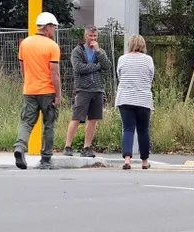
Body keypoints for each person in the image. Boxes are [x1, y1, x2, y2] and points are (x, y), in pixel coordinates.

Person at [14, 12, 62, 170]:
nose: (54, 31)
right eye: (53, 28)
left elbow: (23, 68)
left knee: (26, 122)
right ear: (47, 27)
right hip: (47, 91)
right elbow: (54, 73)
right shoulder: (52, 46)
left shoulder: (25, 43)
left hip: (29, 90)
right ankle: (46, 159)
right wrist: (58, 94)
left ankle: (20, 147)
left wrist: (27, 83)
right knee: (49, 124)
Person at [63, 25, 113, 157]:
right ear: (85, 36)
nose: (93, 38)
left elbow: (107, 66)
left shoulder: (100, 51)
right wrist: (97, 66)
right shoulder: (77, 51)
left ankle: (87, 147)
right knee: (77, 117)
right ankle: (68, 146)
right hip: (83, 89)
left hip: (97, 89)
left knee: (93, 119)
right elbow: (79, 68)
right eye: (90, 35)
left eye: (95, 36)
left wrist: (98, 53)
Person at [115, 34, 155, 170]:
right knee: (143, 130)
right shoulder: (148, 60)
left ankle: (127, 160)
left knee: (128, 129)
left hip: (125, 98)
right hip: (143, 99)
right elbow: (151, 77)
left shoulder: (122, 59)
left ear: (130, 44)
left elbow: (119, 76)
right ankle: (144, 161)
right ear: (143, 45)